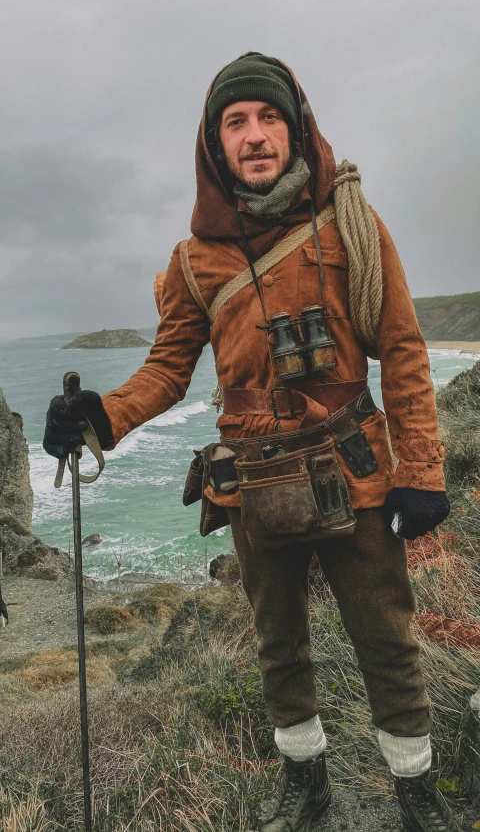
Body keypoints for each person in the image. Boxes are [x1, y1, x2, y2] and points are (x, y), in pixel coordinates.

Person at [44, 53, 459, 832]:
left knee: (388, 642)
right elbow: (169, 368)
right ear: (214, 143)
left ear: (295, 125)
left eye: (269, 118)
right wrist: (99, 416)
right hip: (253, 481)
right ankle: (307, 789)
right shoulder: (195, 259)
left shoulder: (352, 222)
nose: (256, 135)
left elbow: (401, 347)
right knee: (279, 649)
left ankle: (418, 796)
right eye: (236, 122)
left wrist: (423, 469)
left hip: (355, 468)